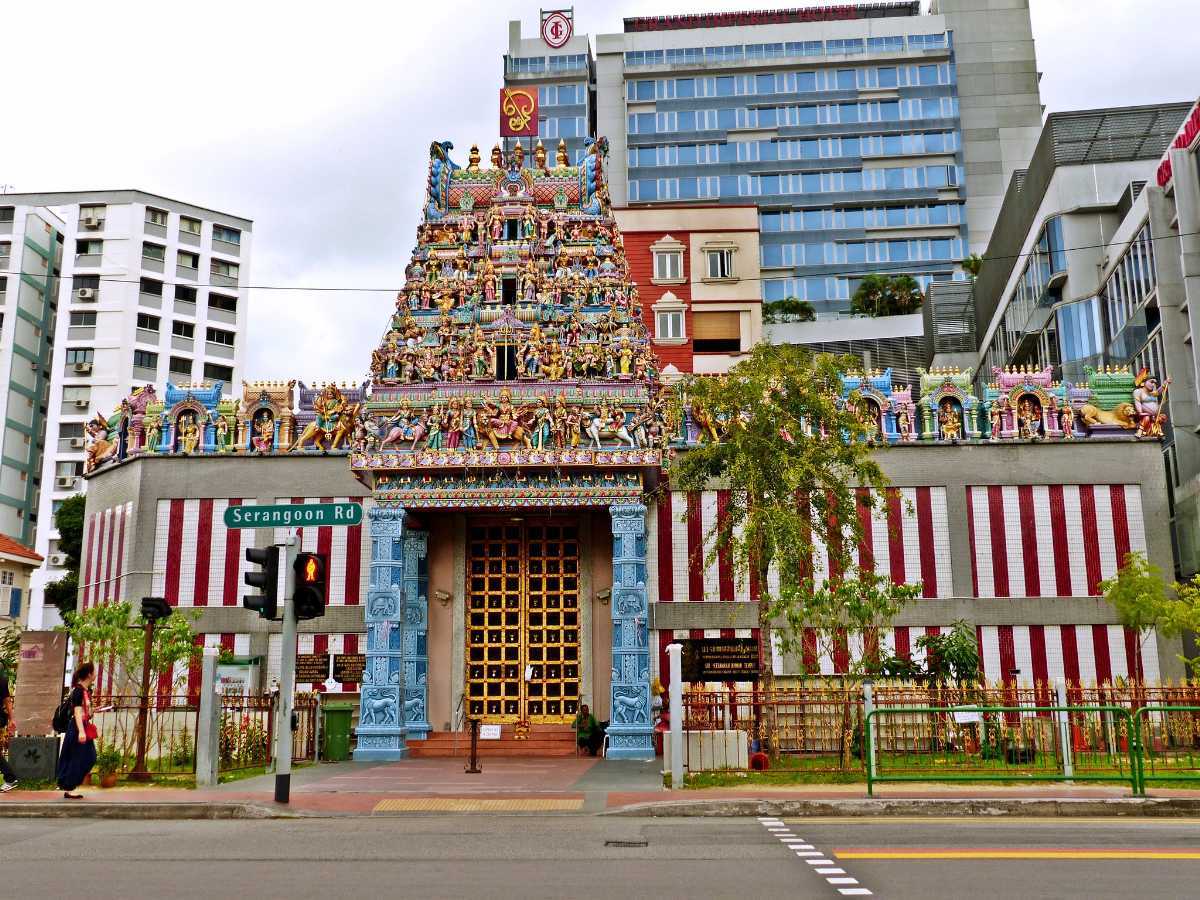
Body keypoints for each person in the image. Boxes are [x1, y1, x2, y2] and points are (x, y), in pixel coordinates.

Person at [56, 662, 97, 799]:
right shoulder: (79, 691)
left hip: (82, 726)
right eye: (94, 671)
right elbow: (77, 712)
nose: (95, 674)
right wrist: (81, 731)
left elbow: (83, 712)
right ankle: (69, 787)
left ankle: (70, 785)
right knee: (78, 757)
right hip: (78, 727)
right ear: (89, 674)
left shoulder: (85, 691)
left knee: (89, 756)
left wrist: (91, 712)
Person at [0, 670, 17, 791]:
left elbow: (7, 700)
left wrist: (12, 718)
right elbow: (7, 700)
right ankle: (10, 777)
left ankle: (10, 777)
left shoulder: (1, 679)